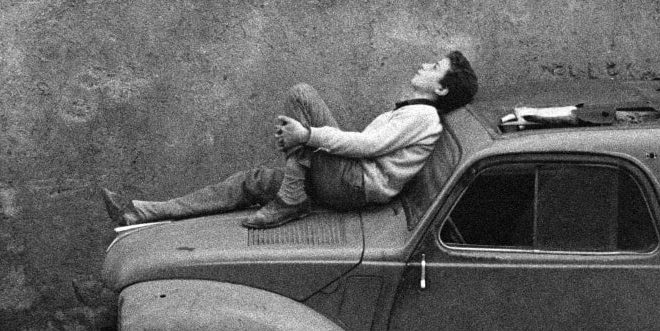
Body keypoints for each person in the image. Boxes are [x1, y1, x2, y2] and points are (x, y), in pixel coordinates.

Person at [101, 51, 478, 230]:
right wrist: (307, 143)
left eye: (434, 67)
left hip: (354, 186)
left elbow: (366, 147)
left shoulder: (423, 117)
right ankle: (140, 213)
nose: (424, 65)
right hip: (346, 180)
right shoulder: (414, 110)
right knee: (249, 182)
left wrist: (307, 135)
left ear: (442, 88)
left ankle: (291, 200)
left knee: (302, 96)